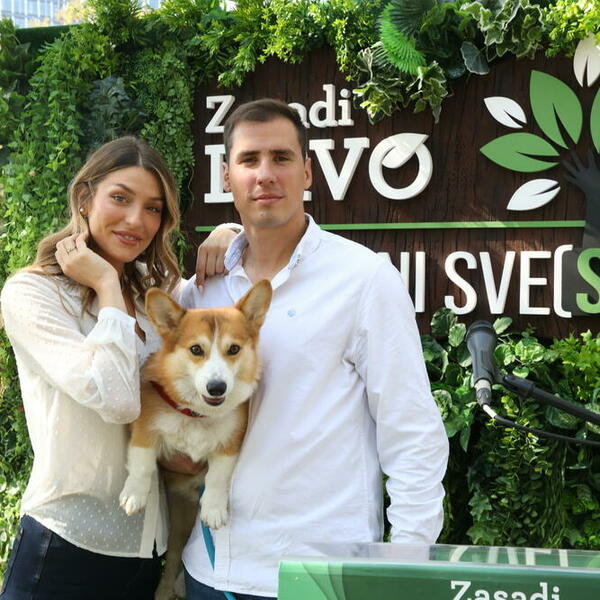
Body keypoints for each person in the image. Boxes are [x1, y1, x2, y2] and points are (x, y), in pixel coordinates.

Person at [179, 99, 449, 599]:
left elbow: (411, 430)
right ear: (226, 177)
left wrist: (409, 563)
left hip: (321, 573)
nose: (265, 174)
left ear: (306, 172)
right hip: (213, 570)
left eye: (281, 158)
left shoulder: (363, 279)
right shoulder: (202, 289)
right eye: (249, 159)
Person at [0, 136, 227, 600]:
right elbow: (119, 402)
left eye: (153, 208)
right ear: (85, 197)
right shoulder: (34, 295)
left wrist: (229, 232)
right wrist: (106, 285)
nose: (136, 220)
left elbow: (218, 314)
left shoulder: (153, 291)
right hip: (65, 545)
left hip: (146, 552)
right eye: (120, 198)